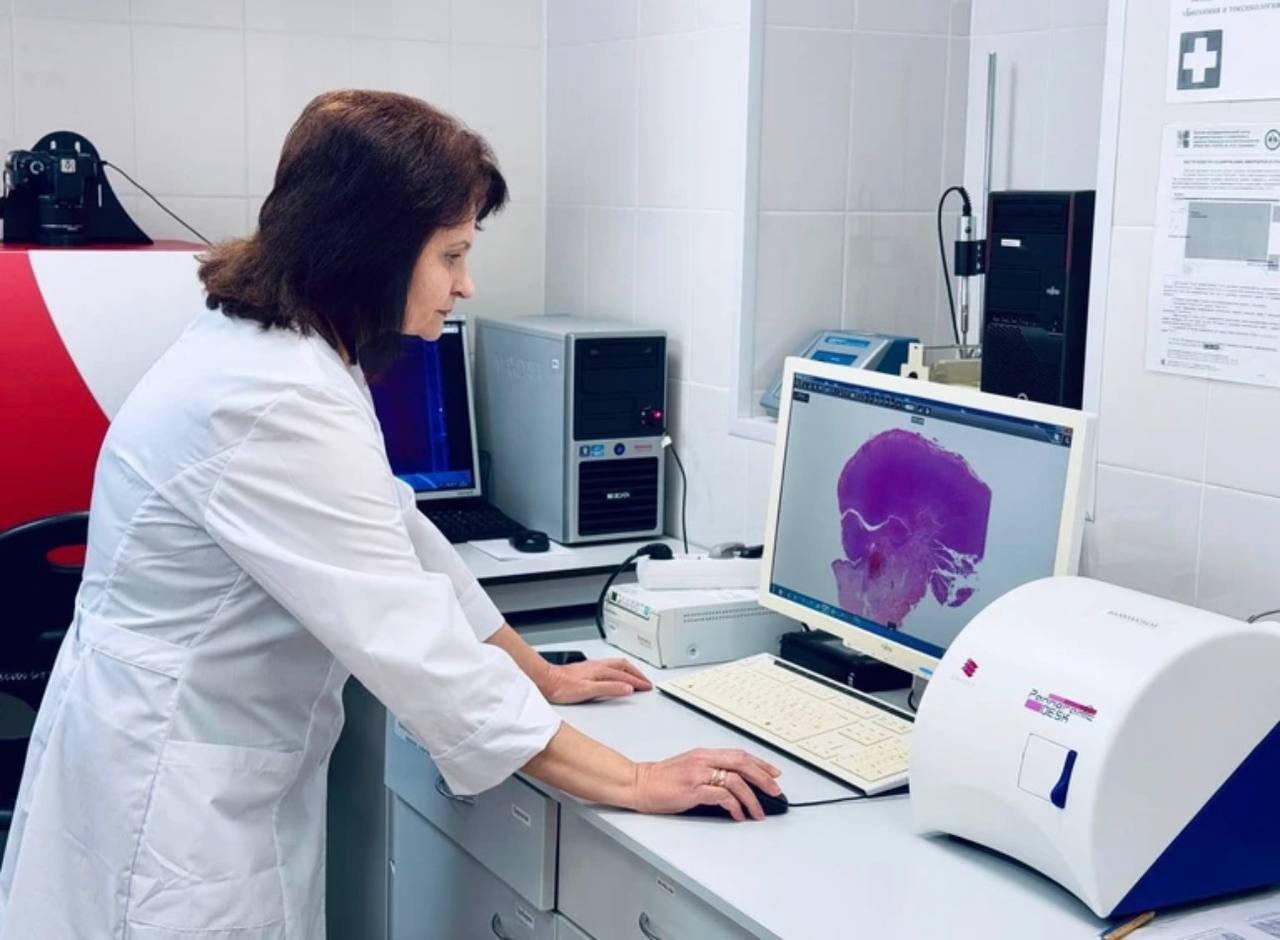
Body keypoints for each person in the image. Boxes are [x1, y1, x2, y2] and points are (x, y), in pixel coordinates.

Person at [0, 90, 782, 939]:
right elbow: (420, 650)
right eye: (451, 254)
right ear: (371, 248)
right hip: (173, 804)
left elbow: (399, 531)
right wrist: (634, 780)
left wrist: (539, 672)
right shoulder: (278, 397)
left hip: (171, 756)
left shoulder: (284, 351)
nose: (465, 284)